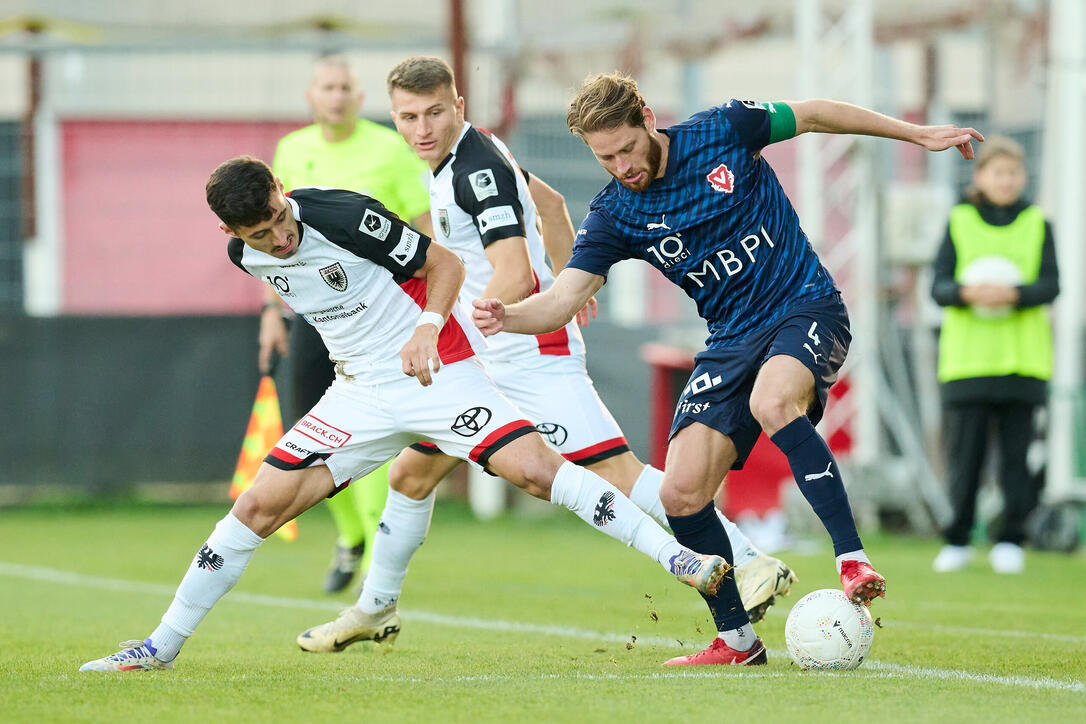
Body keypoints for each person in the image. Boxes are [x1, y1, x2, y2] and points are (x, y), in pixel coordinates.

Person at [78, 155, 730, 672]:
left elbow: (439, 263)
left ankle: (679, 560)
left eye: (279, 217)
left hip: (437, 371)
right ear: (230, 234)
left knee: (535, 470)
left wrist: (426, 326)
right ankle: (159, 646)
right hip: (360, 394)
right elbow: (302, 292)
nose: (279, 237)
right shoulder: (244, 255)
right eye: (259, 234)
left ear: (282, 188)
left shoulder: (339, 214)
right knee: (257, 508)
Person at [473, 73, 983, 666]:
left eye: (627, 149)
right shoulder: (615, 213)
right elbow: (562, 301)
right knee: (681, 491)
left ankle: (851, 560)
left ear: (646, 117)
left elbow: (815, 111)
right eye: (605, 157)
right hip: (730, 340)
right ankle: (738, 643)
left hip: (804, 305)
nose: (622, 166)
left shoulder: (725, 128)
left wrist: (917, 135)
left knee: (773, 403)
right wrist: (504, 316)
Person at [295, 56, 796, 653]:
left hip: (524, 353)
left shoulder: (472, 171)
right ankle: (376, 606)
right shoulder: (466, 156)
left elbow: (509, 272)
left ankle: (750, 558)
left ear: (458, 106)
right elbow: (554, 205)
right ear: (395, 118)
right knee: (411, 473)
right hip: (492, 354)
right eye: (408, 116)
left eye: (434, 112)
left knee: (614, 471)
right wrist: (570, 282)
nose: (421, 128)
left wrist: (495, 314)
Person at [264, 54, 433, 593]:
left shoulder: (389, 148)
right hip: (314, 316)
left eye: (345, 87)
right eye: (326, 87)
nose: (336, 96)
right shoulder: (292, 150)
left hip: (380, 316)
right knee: (309, 427)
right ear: (311, 97)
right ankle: (350, 537)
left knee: (375, 429)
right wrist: (273, 313)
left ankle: (373, 554)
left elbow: (423, 224)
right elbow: (269, 240)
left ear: (360, 98)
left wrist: (432, 307)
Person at [930, 135, 1059, 575]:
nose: (1006, 181)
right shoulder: (960, 220)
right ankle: (958, 539)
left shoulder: (1038, 223)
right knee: (965, 458)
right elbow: (939, 286)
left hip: (1023, 362)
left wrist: (1014, 294)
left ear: (1023, 178)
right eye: (997, 172)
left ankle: (1011, 539)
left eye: (1014, 173)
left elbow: (1050, 285)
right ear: (981, 176)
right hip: (967, 364)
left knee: (1016, 459)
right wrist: (968, 292)